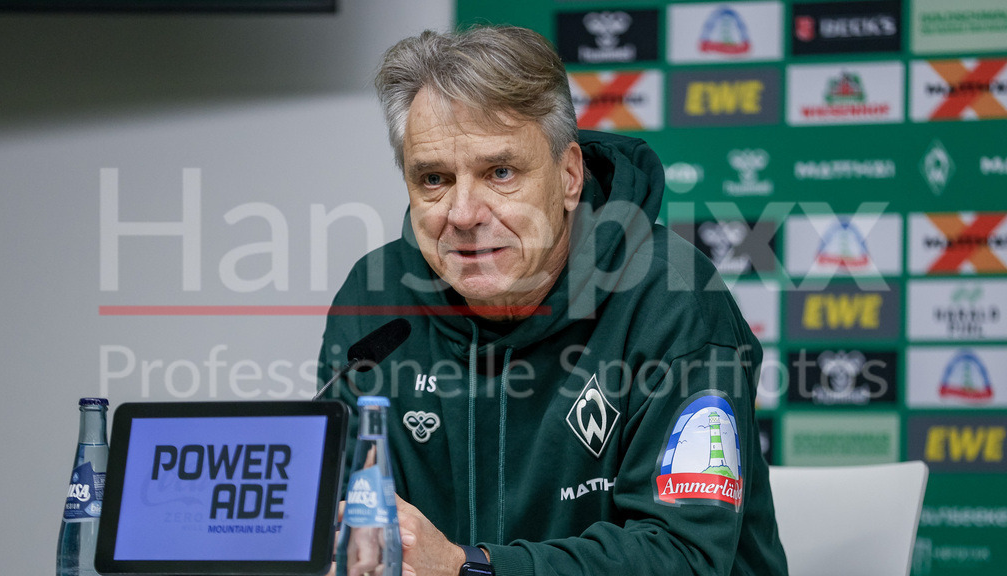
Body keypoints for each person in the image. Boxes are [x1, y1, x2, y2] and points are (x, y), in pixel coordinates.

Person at [318, 25, 788, 576]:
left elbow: (682, 556)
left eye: (500, 172)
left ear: (568, 175)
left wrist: (465, 567)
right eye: (434, 179)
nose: (464, 213)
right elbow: (334, 519)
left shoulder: (674, 299)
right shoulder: (374, 301)